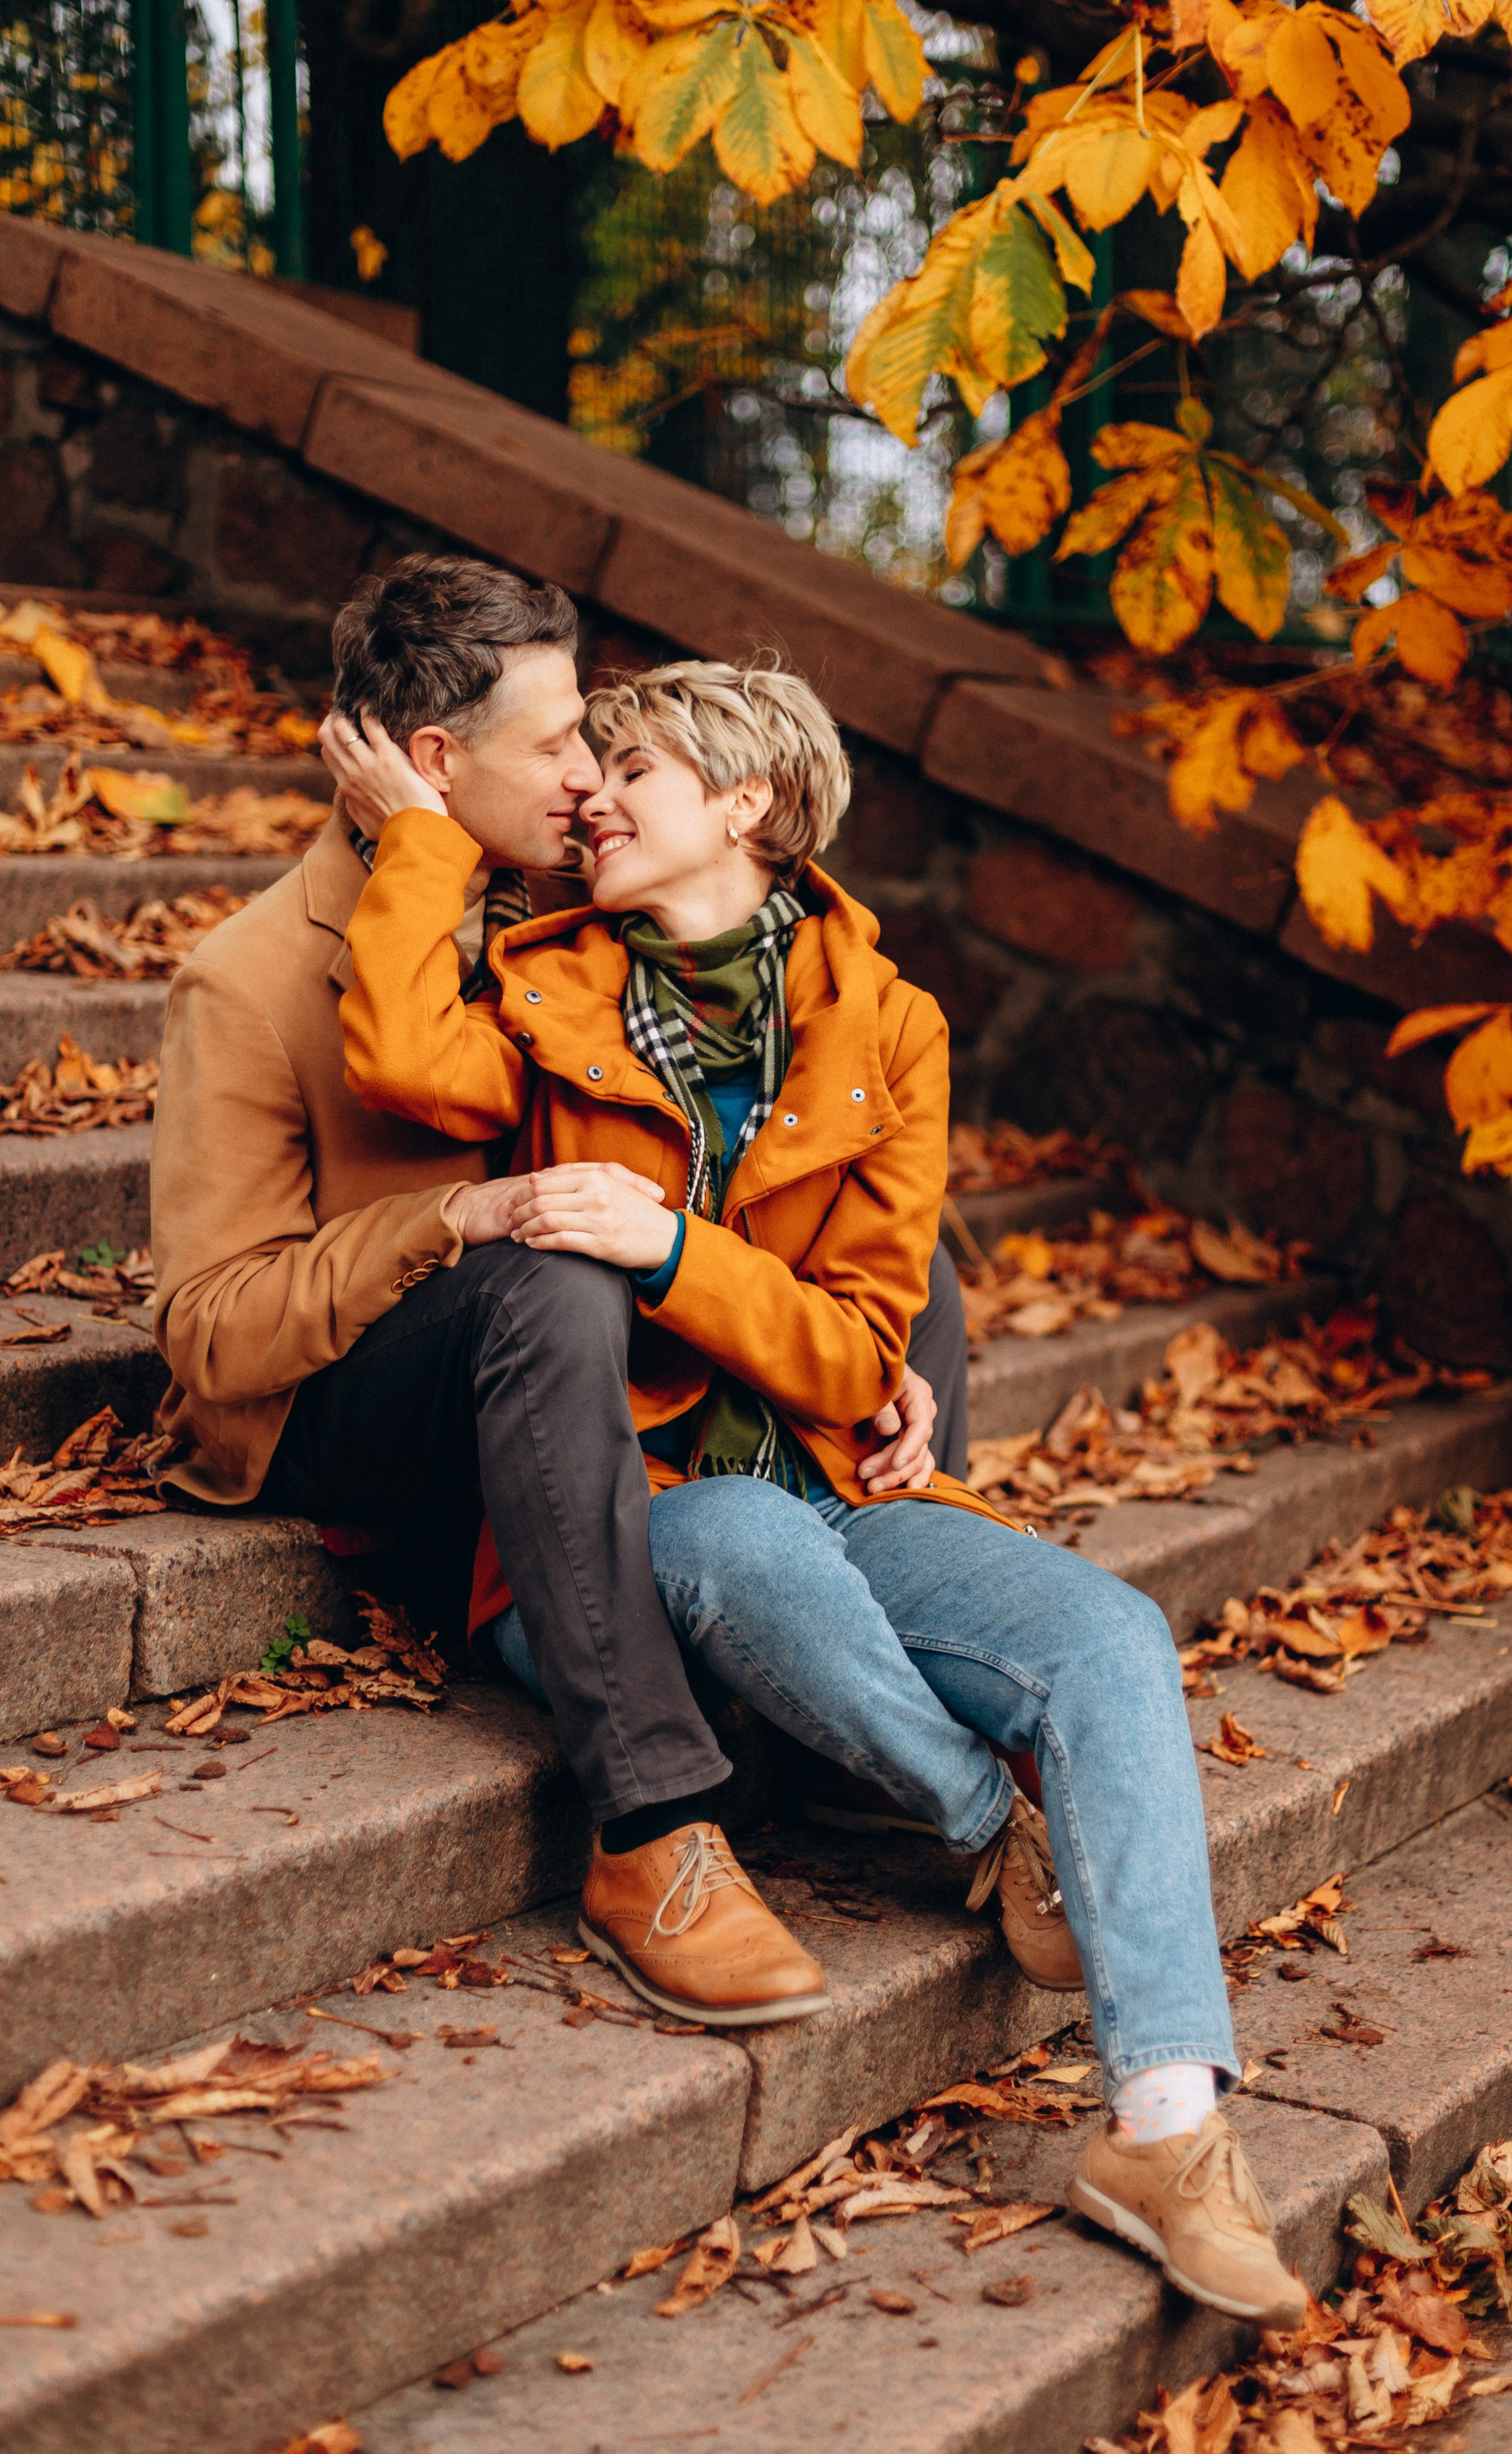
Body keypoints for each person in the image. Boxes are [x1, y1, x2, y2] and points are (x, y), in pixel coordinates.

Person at [327, 654, 1308, 2331]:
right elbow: (406, 1064)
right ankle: (986, 1822)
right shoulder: (542, 977)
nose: (593, 795)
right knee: (749, 1548)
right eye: (595, 762)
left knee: (1111, 1634)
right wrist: (420, 834)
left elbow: (863, 1353)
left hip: (843, 1483)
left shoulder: (890, 1024)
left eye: (633, 766)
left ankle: (1167, 2125)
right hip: (636, 1515)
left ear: (749, 807)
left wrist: (671, 1246)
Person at [151, 554, 958, 2033]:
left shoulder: (575, 915)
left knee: (894, 1236)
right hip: (365, 1405)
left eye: (601, 740)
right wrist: (450, 1217)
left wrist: (869, 1351)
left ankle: (859, 1633)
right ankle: (649, 1829)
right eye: (559, 744)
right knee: (549, 1278)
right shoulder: (251, 979)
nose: (590, 772)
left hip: (575, 1396)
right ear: (436, 767)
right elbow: (210, 1337)